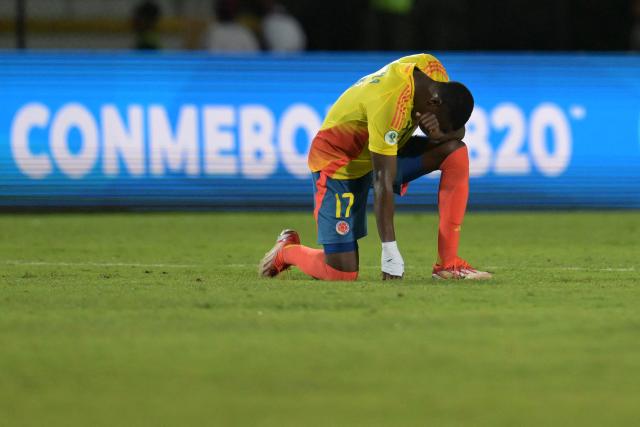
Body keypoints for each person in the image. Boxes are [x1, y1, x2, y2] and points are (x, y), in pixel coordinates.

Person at [259, 53, 492, 281]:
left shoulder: (435, 73)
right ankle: (287, 250)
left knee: (455, 151)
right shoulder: (389, 102)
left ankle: (448, 265)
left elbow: (456, 132)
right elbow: (383, 181)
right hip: (340, 163)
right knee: (341, 273)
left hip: (382, 149)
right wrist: (390, 252)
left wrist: (441, 134)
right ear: (433, 102)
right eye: (437, 120)